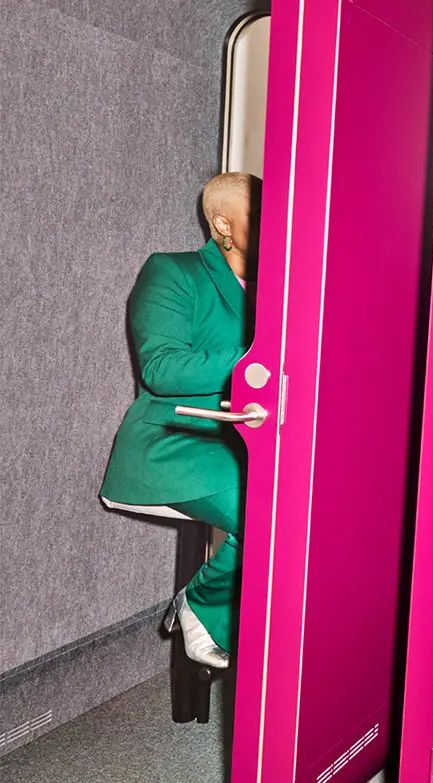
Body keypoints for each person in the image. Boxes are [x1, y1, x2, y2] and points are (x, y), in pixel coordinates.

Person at [100, 172, 259, 669]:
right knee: (268, 504)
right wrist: (261, 358)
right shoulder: (172, 272)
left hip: (251, 438)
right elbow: (160, 368)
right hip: (175, 440)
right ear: (222, 225)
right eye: (261, 215)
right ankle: (204, 605)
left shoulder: (283, 292)